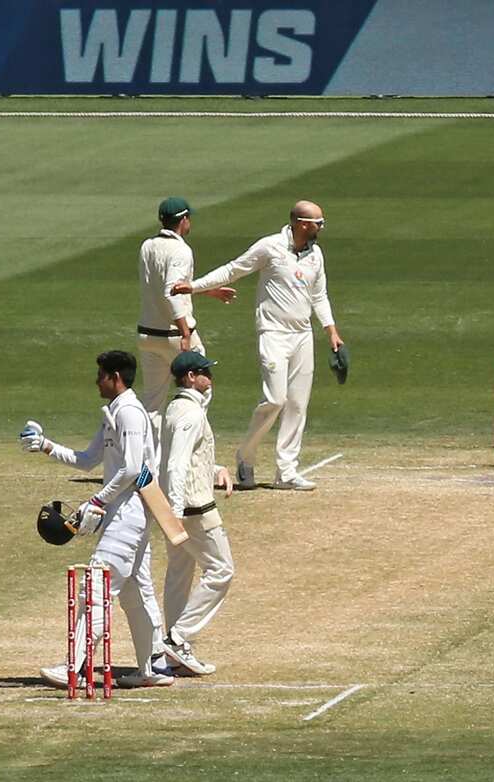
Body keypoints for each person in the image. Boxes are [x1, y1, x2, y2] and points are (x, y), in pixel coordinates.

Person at [21, 351, 173, 689]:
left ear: (116, 377)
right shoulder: (112, 413)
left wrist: (97, 499)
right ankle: (153, 667)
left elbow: (133, 468)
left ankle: (73, 667)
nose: (97, 381)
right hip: (121, 513)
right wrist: (46, 446)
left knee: (97, 587)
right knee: (136, 591)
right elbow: (89, 459)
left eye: (101, 375)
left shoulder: (131, 412)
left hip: (129, 512)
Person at [171, 200, 344, 491]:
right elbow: (233, 270)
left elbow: (320, 295)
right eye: (318, 223)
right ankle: (245, 457)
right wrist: (195, 286)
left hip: (302, 335)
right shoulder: (271, 247)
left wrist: (332, 332)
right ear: (302, 223)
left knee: (298, 404)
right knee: (275, 400)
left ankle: (286, 471)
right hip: (273, 333)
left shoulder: (316, 255)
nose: (321, 228)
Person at [158, 351, 236, 675]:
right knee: (221, 571)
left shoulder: (176, 408)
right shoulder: (190, 413)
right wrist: (174, 513)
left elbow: (185, 460)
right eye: (205, 373)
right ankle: (177, 637)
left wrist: (215, 468)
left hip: (180, 506)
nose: (210, 378)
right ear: (190, 377)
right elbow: (176, 464)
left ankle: (174, 654)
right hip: (194, 509)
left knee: (179, 575)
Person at [137, 197, 235, 435]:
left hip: (147, 335)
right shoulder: (181, 250)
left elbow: (168, 286)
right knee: (202, 389)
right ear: (183, 220)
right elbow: (171, 292)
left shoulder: (147, 245)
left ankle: (150, 468)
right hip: (174, 336)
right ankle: (189, 447)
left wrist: (208, 291)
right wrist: (184, 333)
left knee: (152, 405)